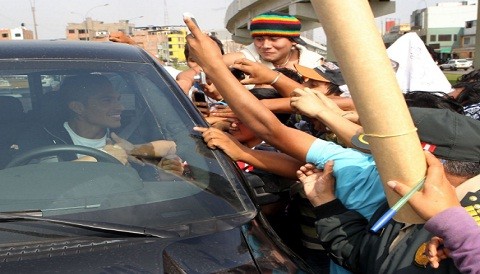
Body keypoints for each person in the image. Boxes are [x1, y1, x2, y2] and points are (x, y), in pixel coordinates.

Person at [183, 17, 480, 274]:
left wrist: (211, 64)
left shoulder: (378, 180)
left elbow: (272, 131)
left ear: (426, 156)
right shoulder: (371, 168)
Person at [296, 108, 480, 273]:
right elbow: (365, 257)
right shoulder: (407, 197)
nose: (378, 164)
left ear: (428, 163)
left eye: (388, 157)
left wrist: (456, 232)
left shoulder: (467, 235)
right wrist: (325, 202)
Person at [15, 74, 182, 175]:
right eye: (106, 100)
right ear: (78, 107)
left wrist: (134, 150)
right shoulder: (43, 138)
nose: (120, 107)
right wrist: (100, 157)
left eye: (117, 99)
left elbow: (175, 146)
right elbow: (36, 179)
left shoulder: (126, 133)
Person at [176, 11, 324, 93]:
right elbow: (192, 72)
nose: (265, 45)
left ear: (293, 41)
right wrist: (184, 82)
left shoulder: (314, 63)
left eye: (274, 39)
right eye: (259, 39)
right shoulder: (246, 56)